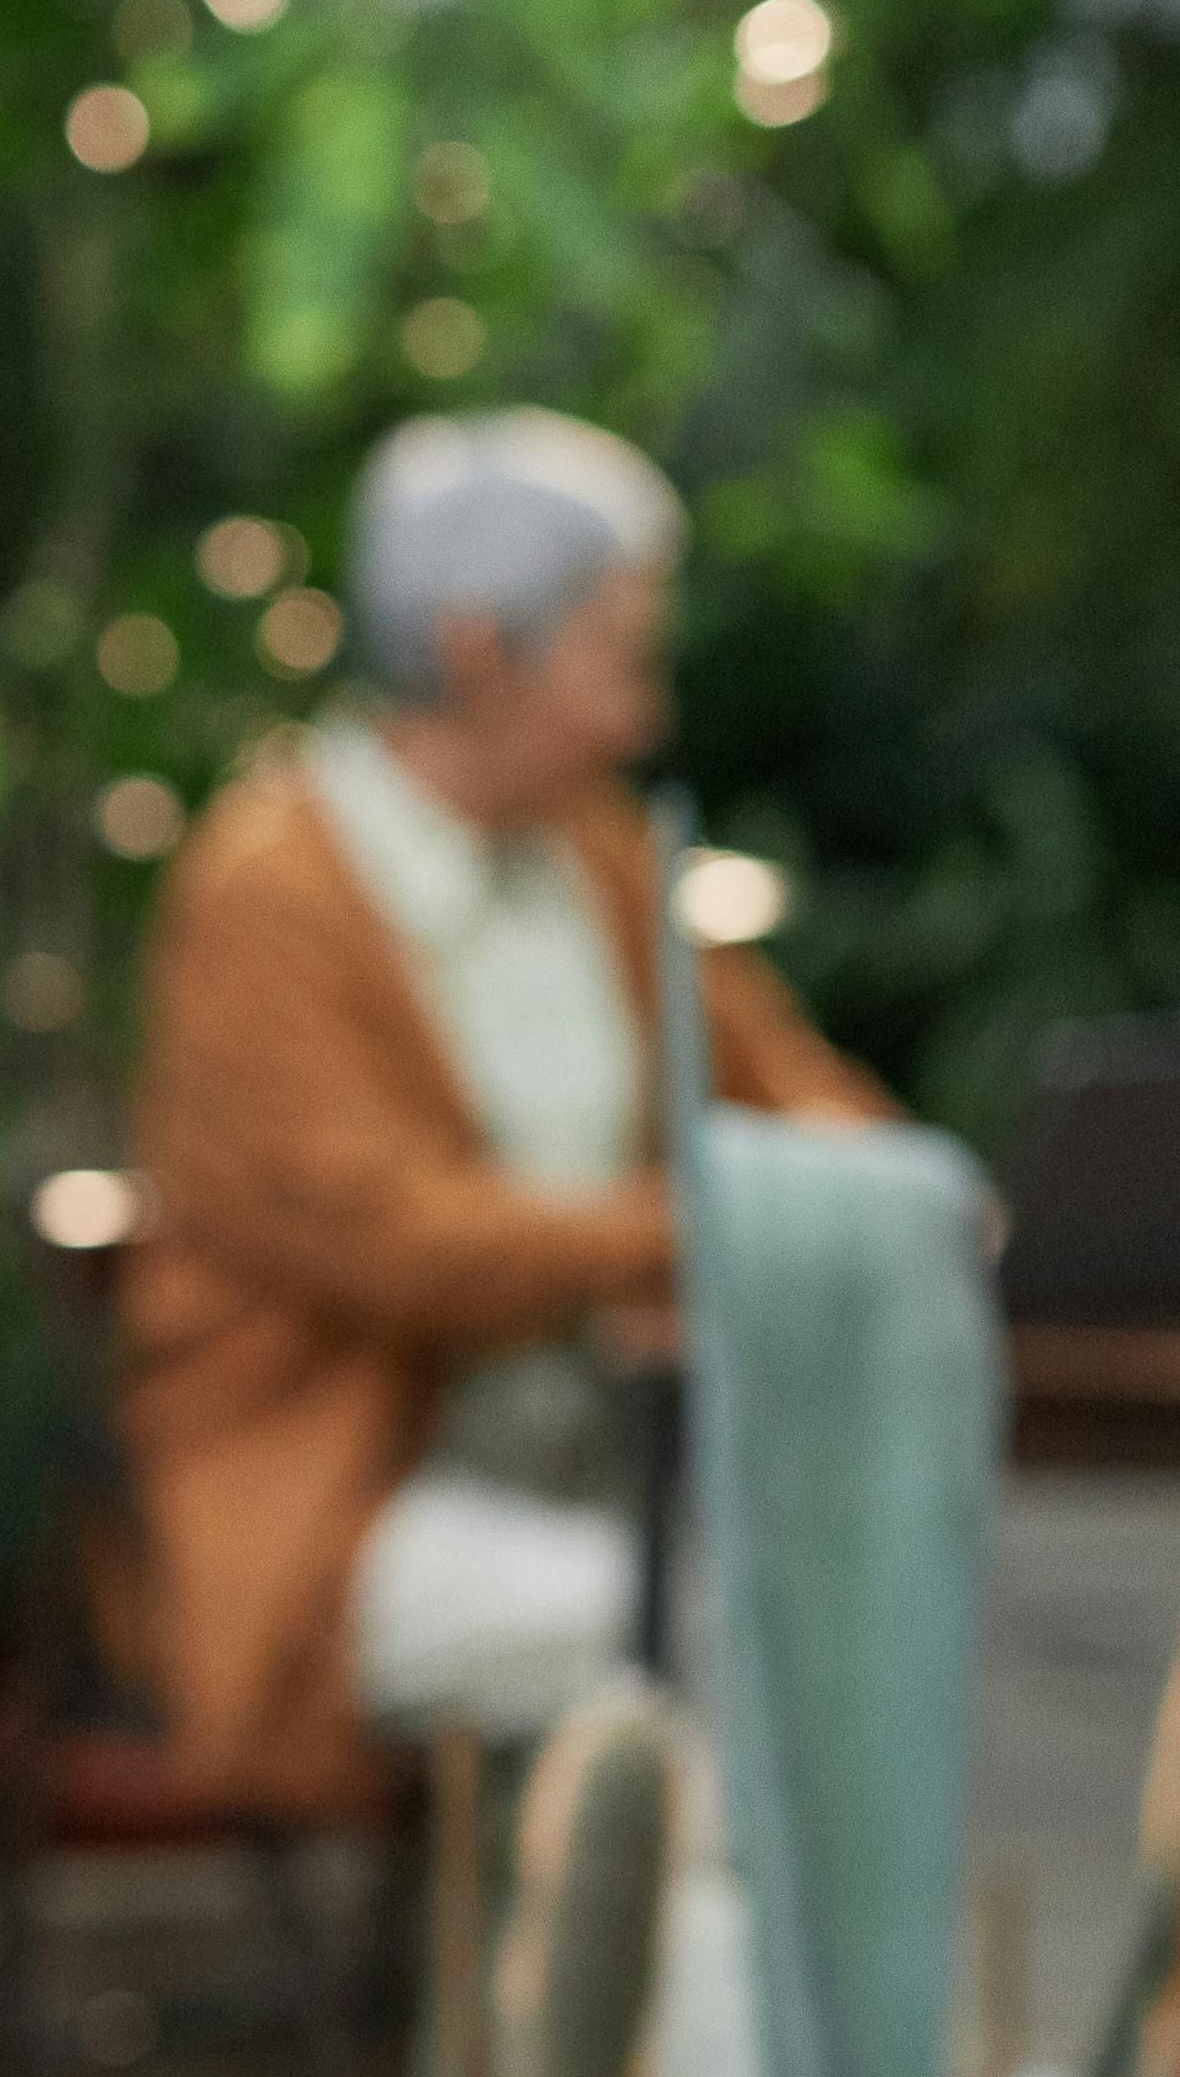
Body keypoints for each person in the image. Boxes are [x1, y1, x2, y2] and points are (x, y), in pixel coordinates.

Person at [117, 407, 883, 1802]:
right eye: (614, 657)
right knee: (710, 1647)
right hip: (342, 1517)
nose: (639, 714)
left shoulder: (599, 860)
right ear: (478, 650)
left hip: (615, 1479)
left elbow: (805, 1101)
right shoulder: (270, 890)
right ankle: (639, 2028)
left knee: (874, 1599)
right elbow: (393, 1239)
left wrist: (863, 1198)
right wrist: (697, 1236)